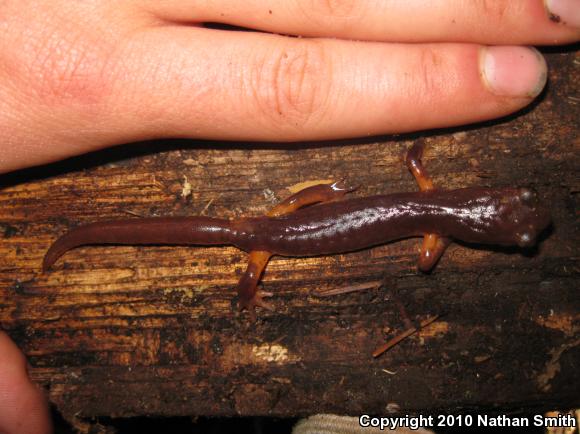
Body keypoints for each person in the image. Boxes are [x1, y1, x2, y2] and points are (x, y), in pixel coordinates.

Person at [0, 1, 578, 432]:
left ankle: (102, 243)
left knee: (273, 234)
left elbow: (413, 173)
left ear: (477, 203)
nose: (525, 223)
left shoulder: (434, 207)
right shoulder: (435, 234)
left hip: (272, 231)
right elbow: (424, 264)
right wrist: (256, 280)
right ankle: (103, 243)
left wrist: (391, 165)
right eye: (521, 214)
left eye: (519, 226)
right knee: (258, 247)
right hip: (266, 239)